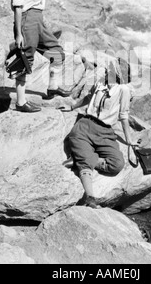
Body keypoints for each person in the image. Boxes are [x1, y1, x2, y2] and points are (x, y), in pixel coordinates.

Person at [59, 61, 135, 209]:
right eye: (108, 70)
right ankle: (91, 198)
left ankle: (80, 158)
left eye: (111, 71)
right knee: (85, 165)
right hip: (84, 126)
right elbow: (88, 97)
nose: (107, 73)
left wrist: (130, 141)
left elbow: (124, 116)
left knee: (117, 164)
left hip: (105, 131)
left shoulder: (124, 90)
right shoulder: (100, 84)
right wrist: (72, 106)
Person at [11, 0, 71, 113]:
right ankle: (21, 102)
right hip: (27, 20)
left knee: (56, 52)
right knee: (25, 59)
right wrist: (18, 33)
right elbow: (17, 8)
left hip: (38, 19)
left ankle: (52, 88)